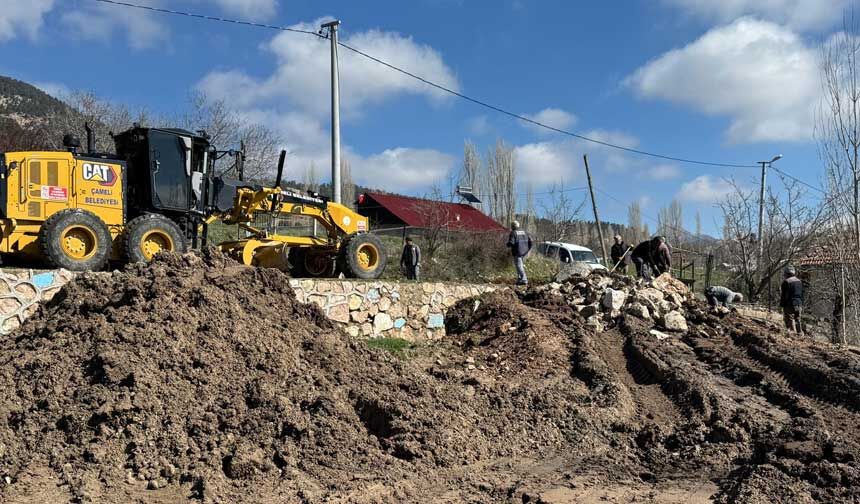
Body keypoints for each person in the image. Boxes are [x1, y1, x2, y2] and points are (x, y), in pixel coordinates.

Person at [507, 220, 533, 286]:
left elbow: (511, 242)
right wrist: (528, 249)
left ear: (512, 226)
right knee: (520, 266)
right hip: (525, 252)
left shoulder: (513, 233)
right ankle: (520, 279)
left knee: (519, 266)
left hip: (517, 252)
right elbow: (531, 241)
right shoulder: (525, 232)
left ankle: (524, 280)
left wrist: (507, 244)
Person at [780, 265, 803, 334]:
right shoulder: (799, 281)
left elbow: (784, 295)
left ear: (786, 273)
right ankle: (800, 334)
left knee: (790, 319)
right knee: (798, 319)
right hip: (799, 303)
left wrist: (782, 305)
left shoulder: (786, 282)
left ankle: (793, 334)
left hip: (790, 304)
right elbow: (802, 293)